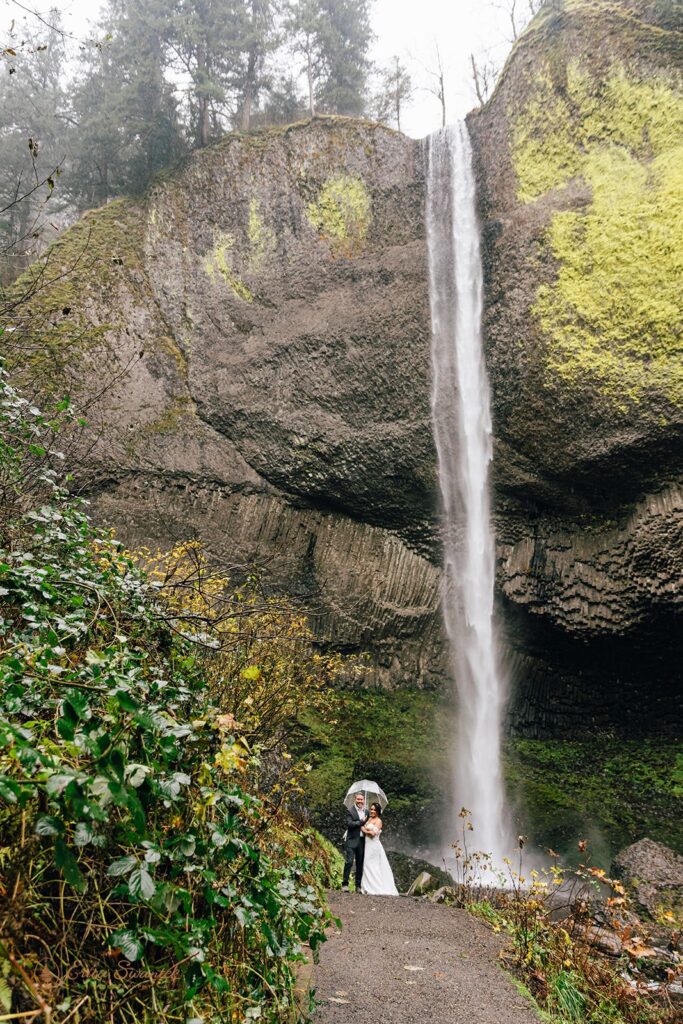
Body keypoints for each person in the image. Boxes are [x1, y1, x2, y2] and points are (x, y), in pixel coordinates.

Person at [360, 803, 399, 896]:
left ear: (378, 811)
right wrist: (362, 823)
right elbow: (365, 827)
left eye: (374, 810)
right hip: (367, 845)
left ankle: (375, 887)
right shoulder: (368, 819)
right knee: (366, 865)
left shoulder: (379, 821)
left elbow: (373, 834)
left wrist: (363, 829)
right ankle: (366, 887)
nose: (372, 811)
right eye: (371, 809)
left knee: (373, 865)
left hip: (374, 846)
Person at [342, 792, 367, 891]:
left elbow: (368, 823)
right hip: (351, 840)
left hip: (362, 841)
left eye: (362, 799)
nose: (360, 801)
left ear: (364, 800)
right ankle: (345, 884)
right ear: (355, 800)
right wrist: (360, 822)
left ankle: (358, 886)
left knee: (360, 863)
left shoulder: (367, 812)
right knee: (349, 862)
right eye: (358, 799)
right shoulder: (350, 811)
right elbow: (349, 824)